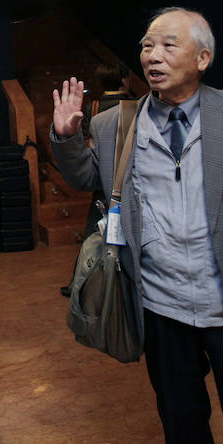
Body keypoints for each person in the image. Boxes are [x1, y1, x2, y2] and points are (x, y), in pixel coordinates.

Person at [50, 7, 223, 444]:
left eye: (169, 45)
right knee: (182, 422)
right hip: (160, 306)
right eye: (147, 45)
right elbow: (85, 179)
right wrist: (67, 137)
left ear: (202, 58)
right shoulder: (115, 124)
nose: (153, 55)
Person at [59, 62, 136, 297]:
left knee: (92, 238)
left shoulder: (92, 106)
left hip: (101, 177)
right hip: (126, 178)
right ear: (124, 79)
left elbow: (85, 144)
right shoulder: (134, 107)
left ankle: (80, 282)